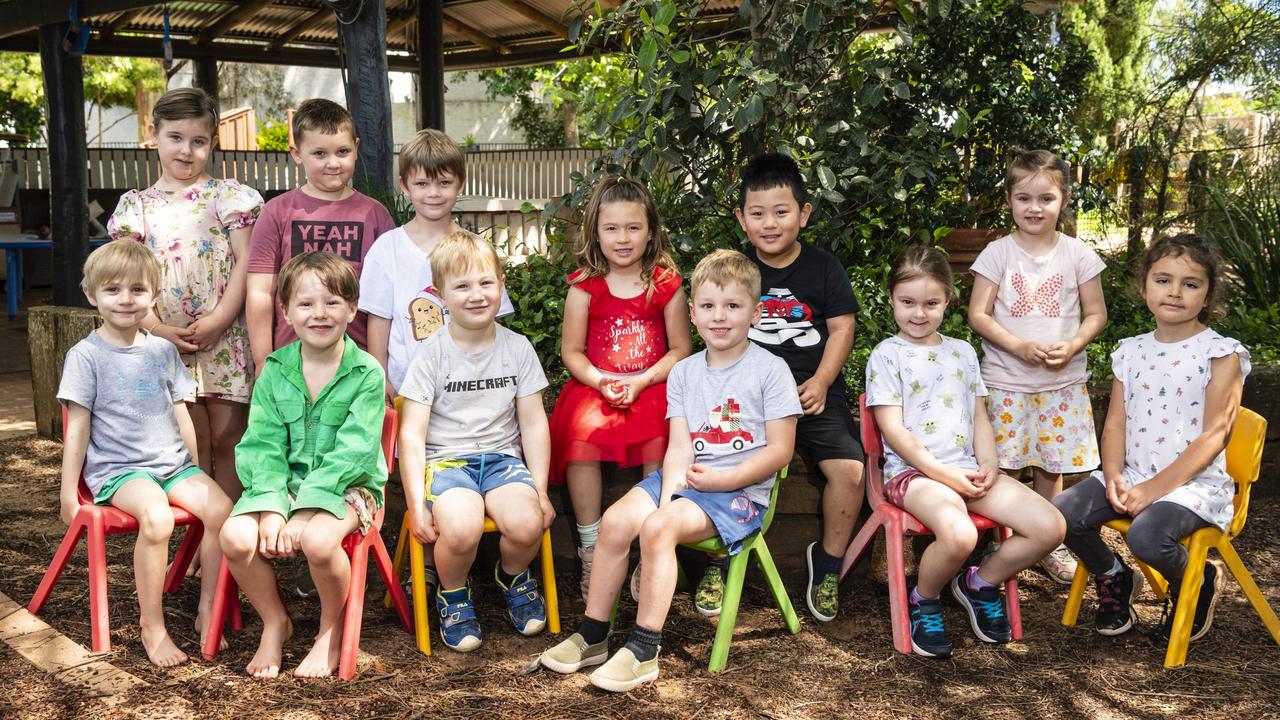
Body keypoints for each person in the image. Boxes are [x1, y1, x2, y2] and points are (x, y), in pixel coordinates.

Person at [539, 249, 801, 692]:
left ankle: (644, 649)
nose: (720, 317)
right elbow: (679, 446)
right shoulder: (684, 372)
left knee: (658, 530)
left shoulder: (771, 371)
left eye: (733, 307)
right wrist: (668, 500)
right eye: (709, 307)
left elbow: (781, 452)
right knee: (619, 521)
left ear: (755, 314)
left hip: (739, 493)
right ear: (692, 313)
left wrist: (724, 480)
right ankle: (594, 634)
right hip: (686, 481)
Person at [865, 245, 1065, 658]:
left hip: (967, 468)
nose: (918, 313)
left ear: (948, 301)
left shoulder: (961, 352)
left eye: (931, 303)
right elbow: (894, 431)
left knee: (1050, 526)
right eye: (908, 303)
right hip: (913, 475)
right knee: (959, 534)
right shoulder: (887, 355)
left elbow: (978, 419)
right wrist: (941, 474)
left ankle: (980, 583)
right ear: (892, 300)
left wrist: (989, 464)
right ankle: (924, 598)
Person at [1053, 233, 1246, 642]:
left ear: (1207, 295)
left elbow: (1216, 435)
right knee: (1061, 516)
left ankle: (1198, 580)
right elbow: (1117, 425)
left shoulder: (1220, 353)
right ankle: (1113, 575)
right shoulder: (1131, 351)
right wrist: (1113, 474)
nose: (1175, 292)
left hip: (1191, 487)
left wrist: (1154, 489)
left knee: (1147, 536)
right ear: (1144, 287)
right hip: (1134, 472)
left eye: (1190, 283)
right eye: (1163, 280)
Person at [57, 240, 233, 667]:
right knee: (155, 517)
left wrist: (194, 468)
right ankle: (152, 626)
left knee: (224, 510)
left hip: (172, 465)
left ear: (154, 297)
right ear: (90, 294)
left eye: (138, 290)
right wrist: (68, 492)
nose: (125, 299)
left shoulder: (162, 350)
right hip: (120, 471)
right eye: (113, 289)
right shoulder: (86, 356)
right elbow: (77, 428)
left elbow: (181, 414)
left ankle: (208, 606)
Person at [220, 251, 389, 678]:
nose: (320, 314)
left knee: (317, 540)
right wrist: (275, 506)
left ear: (352, 309)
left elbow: (354, 452)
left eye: (333, 303)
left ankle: (331, 629)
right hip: (284, 485)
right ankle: (276, 621)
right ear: (286, 311)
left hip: (352, 487)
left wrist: (304, 511)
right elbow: (262, 446)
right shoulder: (275, 371)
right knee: (236, 537)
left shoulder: (367, 373)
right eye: (306, 304)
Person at [397, 232, 554, 652]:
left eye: (486, 282)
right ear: (441, 295)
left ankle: (512, 575)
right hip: (448, 464)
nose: (476, 295)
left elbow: (534, 423)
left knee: (527, 523)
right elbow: (411, 434)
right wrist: (415, 503)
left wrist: (539, 490)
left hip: (502, 460)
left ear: (501, 284)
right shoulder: (431, 355)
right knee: (462, 530)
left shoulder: (518, 349)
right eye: (462, 286)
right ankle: (453, 592)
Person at [108, 86, 263, 507]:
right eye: (175, 138)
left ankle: (229, 531)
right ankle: (201, 535)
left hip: (225, 334)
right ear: (154, 134)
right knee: (191, 442)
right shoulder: (136, 208)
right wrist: (157, 328)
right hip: (165, 340)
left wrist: (219, 319)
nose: (186, 151)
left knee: (229, 435)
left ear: (212, 142)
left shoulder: (229, 197)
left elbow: (248, 261)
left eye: (198, 141)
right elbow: (127, 277)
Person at [730, 153, 864, 623]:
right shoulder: (734, 268)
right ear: (742, 218)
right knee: (719, 461)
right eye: (758, 213)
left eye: (781, 212)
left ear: (803, 214)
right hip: (747, 400)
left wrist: (823, 381)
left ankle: (827, 563)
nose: (770, 223)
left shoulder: (824, 268)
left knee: (849, 471)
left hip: (813, 392)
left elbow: (842, 329)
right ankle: (716, 558)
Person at [547, 175, 692, 602]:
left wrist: (643, 379)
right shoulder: (583, 287)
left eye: (633, 228)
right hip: (598, 384)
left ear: (651, 232)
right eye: (611, 229)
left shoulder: (665, 285)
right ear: (595, 232)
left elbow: (681, 349)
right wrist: (600, 380)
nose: (623, 238)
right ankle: (591, 545)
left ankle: (651, 548)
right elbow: (572, 353)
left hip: (652, 384)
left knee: (660, 434)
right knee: (580, 435)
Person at [967, 148, 1108, 584]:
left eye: (1045, 198)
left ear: (1063, 199)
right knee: (1003, 465)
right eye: (1024, 198)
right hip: (1006, 380)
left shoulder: (1078, 255)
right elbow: (978, 314)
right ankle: (998, 539)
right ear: (1009, 199)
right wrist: (1017, 346)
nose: (1035, 208)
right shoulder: (997, 253)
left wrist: (1073, 344)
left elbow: (1097, 313)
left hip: (1061, 383)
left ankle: (1050, 542)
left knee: (1052, 465)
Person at [360, 128, 515, 399]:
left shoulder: (475, 249)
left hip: (469, 387)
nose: (433, 193)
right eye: (422, 184)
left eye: (444, 182)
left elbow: (494, 320)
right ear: (405, 186)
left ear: (461, 183)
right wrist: (380, 377)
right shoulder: (387, 249)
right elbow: (378, 321)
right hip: (405, 389)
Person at [245, 98, 396, 372]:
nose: (333, 163)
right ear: (296, 153)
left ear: (356, 149)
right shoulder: (277, 212)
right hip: (291, 363)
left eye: (342, 151)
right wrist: (262, 359)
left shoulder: (375, 215)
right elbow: (260, 292)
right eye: (320, 154)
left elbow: (386, 301)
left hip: (358, 363)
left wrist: (379, 366)